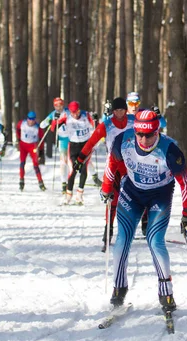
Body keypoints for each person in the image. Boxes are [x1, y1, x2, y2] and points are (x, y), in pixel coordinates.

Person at [101, 109, 187, 313]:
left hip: (159, 195)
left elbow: (185, 182)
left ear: (157, 131)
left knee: (155, 241)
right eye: (139, 134)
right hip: (132, 192)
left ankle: (166, 291)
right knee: (122, 239)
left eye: (149, 134)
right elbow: (112, 164)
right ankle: (119, 288)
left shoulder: (169, 150)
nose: (144, 139)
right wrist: (107, 188)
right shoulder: (122, 141)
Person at [72, 97, 135, 251]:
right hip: (112, 166)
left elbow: (151, 127)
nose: (119, 113)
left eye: (121, 110)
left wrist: (156, 117)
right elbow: (91, 142)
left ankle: (142, 226)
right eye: (116, 110)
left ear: (125, 110)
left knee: (136, 198)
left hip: (131, 166)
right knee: (111, 200)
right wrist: (80, 158)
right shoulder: (106, 125)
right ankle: (109, 229)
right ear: (112, 111)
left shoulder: (134, 121)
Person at [126, 91, 167, 236]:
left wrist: (158, 116)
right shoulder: (122, 115)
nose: (134, 106)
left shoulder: (145, 114)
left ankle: (145, 221)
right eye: (131, 103)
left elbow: (162, 124)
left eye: (136, 103)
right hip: (126, 156)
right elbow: (108, 123)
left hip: (144, 157)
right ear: (127, 104)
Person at [50, 101, 96, 204]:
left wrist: (95, 119)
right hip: (74, 146)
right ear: (70, 111)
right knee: (74, 169)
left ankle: (79, 196)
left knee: (84, 170)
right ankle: (68, 196)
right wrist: (55, 120)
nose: (75, 114)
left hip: (86, 146)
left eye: (77, 111)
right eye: (73, 112)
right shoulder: (66, 116)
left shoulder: (86, 115)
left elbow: (96, 125)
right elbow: (53, 128)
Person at [40, 97, 70, 193]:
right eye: (56, 105)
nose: (59, 107)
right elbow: (42, 125)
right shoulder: (53, 114)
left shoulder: (68, 112)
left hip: (71, 139)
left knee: (71, 162)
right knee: (63, 163)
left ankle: (71, 181)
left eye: (60, 105)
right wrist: (50, 121)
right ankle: (63, 184)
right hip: (62, 140)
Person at [16, 111, 46, 191]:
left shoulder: (37, 127)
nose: (31, 121)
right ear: (27, 119)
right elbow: (17, 129)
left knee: (35, 164)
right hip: (23, 145)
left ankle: (41, 183)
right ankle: (21, 181)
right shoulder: (22, 123)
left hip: (33, 146)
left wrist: (41, 151)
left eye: (33, 119)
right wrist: (18, 139)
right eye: (30, 119)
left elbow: (42, 139)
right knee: (22, 163)